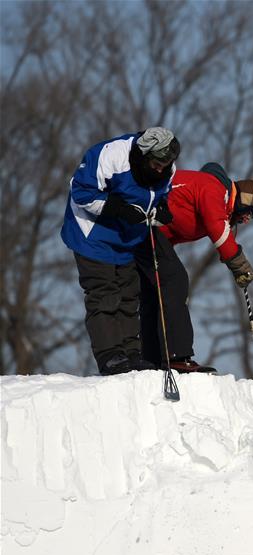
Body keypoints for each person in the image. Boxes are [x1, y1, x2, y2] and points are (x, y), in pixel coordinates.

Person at [60, 128, 179, 375]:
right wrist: (118, 208)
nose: (161, 170)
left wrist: (162, 209)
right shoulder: (110, 156)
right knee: (104, 293)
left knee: (128, 293)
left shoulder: (167, 169)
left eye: (165, 164)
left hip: (128, 239)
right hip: (93, 234)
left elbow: (160, 196)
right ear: (143, 155)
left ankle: (131, 353)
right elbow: (80, 192)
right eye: (156, 164)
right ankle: (110, 355)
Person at [133, 163, 253, 372]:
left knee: (156, 289)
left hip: (148, 231)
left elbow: (218, 232)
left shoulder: (220, 202)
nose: (247, 220)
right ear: (243, 200)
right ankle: (177, 356)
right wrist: (240, 265)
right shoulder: (215, 189)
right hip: (144, 223)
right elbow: (218, 230)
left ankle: (152, 358)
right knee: (175, 281)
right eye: (249, 212)